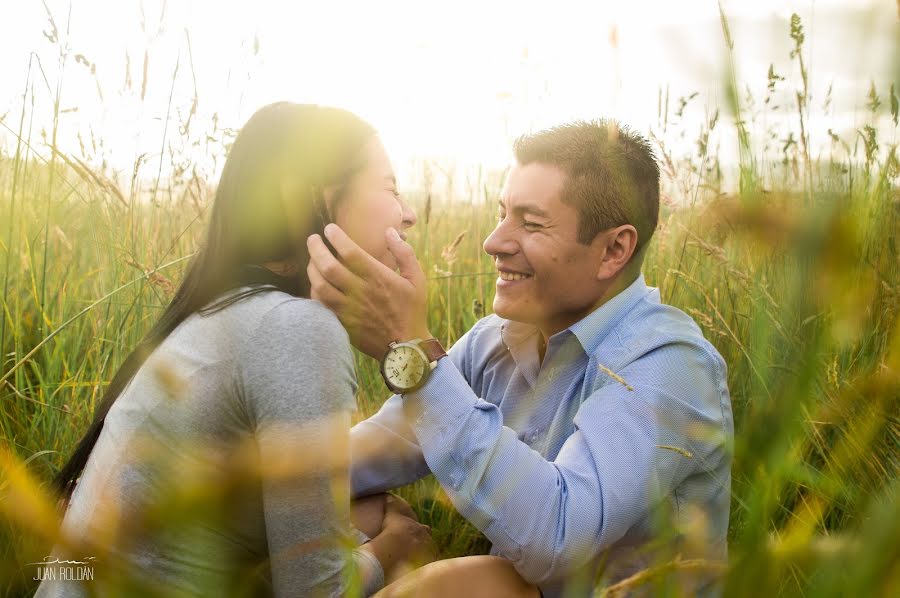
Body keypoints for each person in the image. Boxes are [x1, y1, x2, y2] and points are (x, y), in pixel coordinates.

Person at [307, 120, 734, 597]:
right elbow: (365, 457)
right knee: (332, 514)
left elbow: (555, 539)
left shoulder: (669, 365)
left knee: (456, 585)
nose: (494, 242)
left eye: (530, 223)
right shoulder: (497, 341)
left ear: (614, 249)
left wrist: (414, 350)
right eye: (502, 213)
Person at [36, 102, 432, 598]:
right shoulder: (293, 328)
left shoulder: (228, 311)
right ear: (316, 197)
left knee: (366, 509)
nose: (409, 214)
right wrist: (393, 547)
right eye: (391, 189)